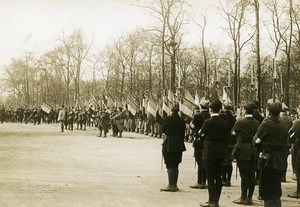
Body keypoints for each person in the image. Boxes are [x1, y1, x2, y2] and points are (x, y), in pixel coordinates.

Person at [254, 101, 288, 207]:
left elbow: (256, 140)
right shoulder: (283, 124)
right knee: (276, 189)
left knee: (267, 189)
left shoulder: (266, 124)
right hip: (280, 158)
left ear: (269, 111)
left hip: (267, 159)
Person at [199, 99, 230, 207]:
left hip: (210, 151)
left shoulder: (207, 122)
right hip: (221, 151)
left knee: (210, 177)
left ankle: (211, 200)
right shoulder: (224, 122)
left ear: (211, 110)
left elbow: (201, 134)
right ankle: (216, 201)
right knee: (218, 176)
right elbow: (227, 137)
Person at [231, 102, 260, 205]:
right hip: (253, 150)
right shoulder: (257, 122)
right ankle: (250, 198)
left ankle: (243, 197)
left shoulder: (240, 122)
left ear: (245, 110)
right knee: (252, 174)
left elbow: (233, 133)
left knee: (244, 175)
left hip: (243, 149)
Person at [160, 103, 186, 192]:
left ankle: (171, 185)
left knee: (169, 164)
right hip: (179, 143)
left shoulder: (167, 119)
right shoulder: (182, 121)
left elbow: (162, 130)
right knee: (176, 164)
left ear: (171, 110)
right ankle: (175, 185)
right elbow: (183, 134)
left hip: (169, 143)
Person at [190, 98, 210, 189]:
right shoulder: (210, 115)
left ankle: (199, 181)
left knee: (200, 162)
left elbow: (192, 127)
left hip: (199, 141)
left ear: (200, 106)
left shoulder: (197, 116)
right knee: (205, 161)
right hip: (207, 141)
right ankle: (204, 181)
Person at [220, 100, 236, 187]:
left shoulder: (221, 117)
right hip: (231, 142)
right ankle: (229, 180)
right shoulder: (233, 118)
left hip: (223, 142)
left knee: (223, 161)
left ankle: (223, 179)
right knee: (229, 162)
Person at [287, 118, 300, 199]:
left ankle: (298, 191)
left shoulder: (298, 123)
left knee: (299, 171)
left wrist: (291, 132)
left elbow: (292, 138)